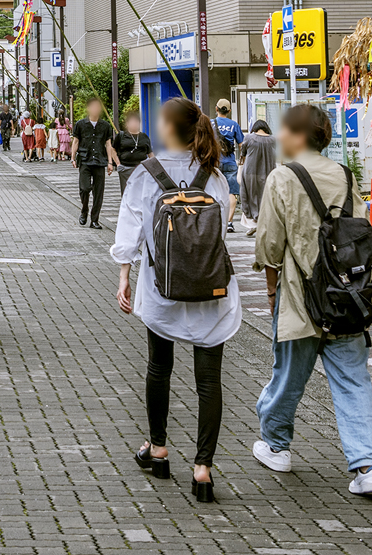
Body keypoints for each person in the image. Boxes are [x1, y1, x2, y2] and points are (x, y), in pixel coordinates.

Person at [252, 103, 372, 497]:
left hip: (301, 297)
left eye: (285, 131)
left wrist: (270, 293)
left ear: (298, 136)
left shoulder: (282, 177)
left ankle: (277, 446)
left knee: (288, 377)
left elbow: (269, 245)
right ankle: (368, 467)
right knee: (352, 382)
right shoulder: (345, 176)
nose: (279, 137)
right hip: (347, 297)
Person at [112, 98, 240, 504]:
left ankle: (159, 448)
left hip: (162, 287)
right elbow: (221, 226)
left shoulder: (147, 174)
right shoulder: (213, 175)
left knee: (159, 367)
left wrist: (124, 276)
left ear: (168, 130)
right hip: (210, 289)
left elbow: (130, 231)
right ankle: (202, 469)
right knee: (208, 381)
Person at [70, 98, 113, 228]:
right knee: (84, 188)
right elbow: (76, 141)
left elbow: (108, 144)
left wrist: (110, 162)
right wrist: (72, 157)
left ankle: (95, 220)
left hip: (100, 161)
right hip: (84, 160)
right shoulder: (81, 124)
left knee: (98, 192)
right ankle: (84, 210)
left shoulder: (105, 126)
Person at [212, 100, 244, 233]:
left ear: (216, 109)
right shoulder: (234, 124)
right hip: (230, 163)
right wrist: (242, 160)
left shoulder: (210, 123)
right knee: (232, 192)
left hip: (214, 163)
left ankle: (216, 220)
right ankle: (229, 222)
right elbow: (242, 144)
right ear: (229, 111)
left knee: (214, 192)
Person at [238, 119, 276, 228]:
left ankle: (252, 221)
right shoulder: (273, 140)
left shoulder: (249, 138)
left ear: (254, 128)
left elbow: (243, 153)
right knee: (265, 197)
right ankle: (262, 220)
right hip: (268, 173)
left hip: (250, 172)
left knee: (249, 197)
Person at [109, 108, 152, 198]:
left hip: (141, 168)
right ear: (127, 124)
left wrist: (155, 166)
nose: (134, 124)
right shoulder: (121, 135)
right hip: (125, 168)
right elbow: (113, 149)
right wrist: (118, 164)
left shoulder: (144, 137)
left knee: (141, 193)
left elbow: (150, 153)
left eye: (136, 122)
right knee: (127, 193)